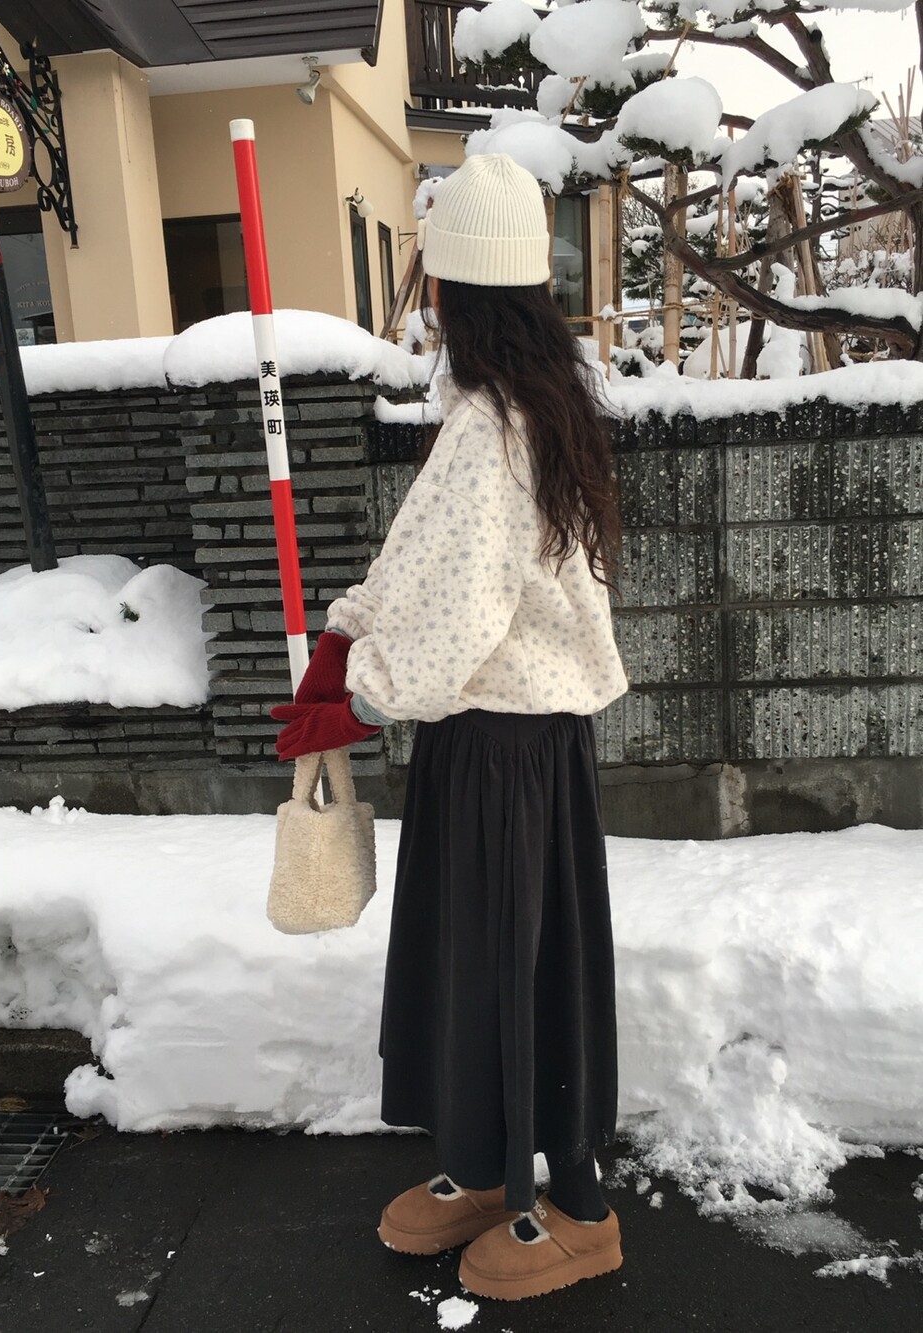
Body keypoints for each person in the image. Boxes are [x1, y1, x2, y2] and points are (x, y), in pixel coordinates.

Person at [271, 153, 628, 1303]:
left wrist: (358, 692)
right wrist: (352, 634)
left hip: (501, 749)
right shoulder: (527, 405)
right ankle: (483, 1168)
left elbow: (458, 610)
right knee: (497, 965)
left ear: (452, 292)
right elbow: (424, 570)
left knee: (511, 970)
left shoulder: (491, 428)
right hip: (508, 744)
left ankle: (578, 1210)